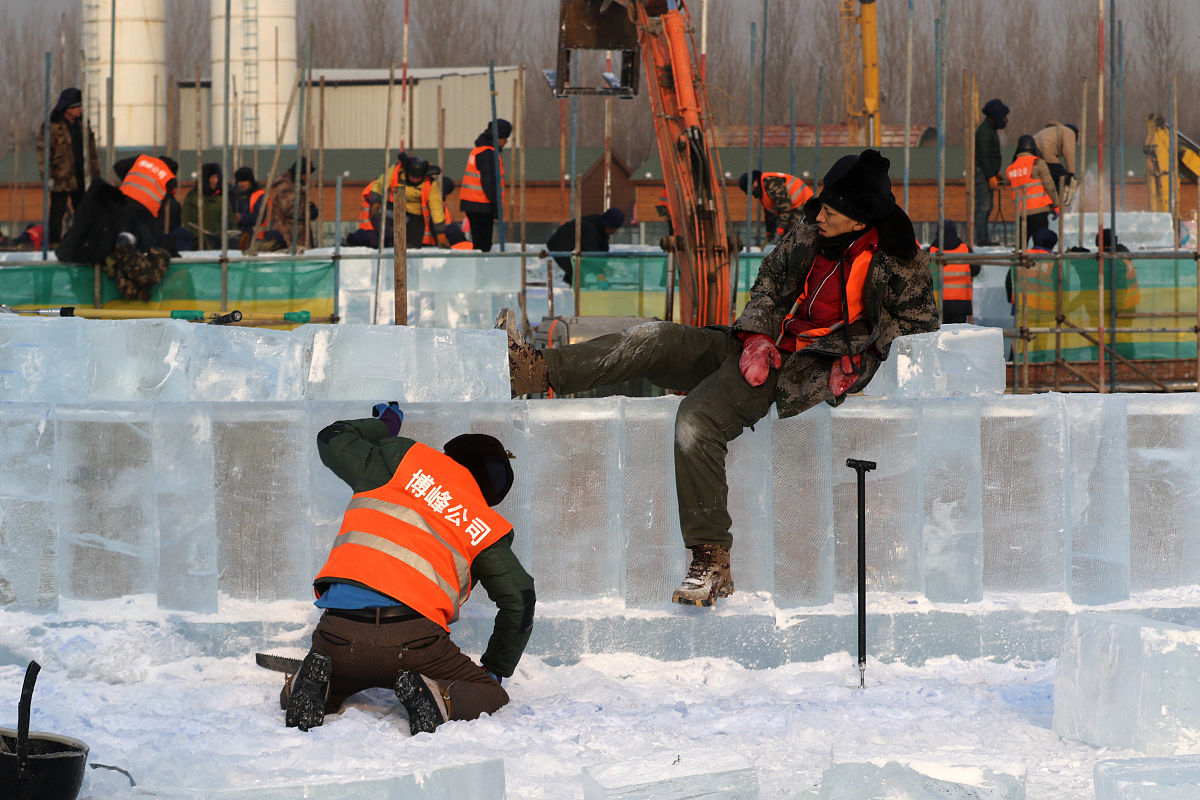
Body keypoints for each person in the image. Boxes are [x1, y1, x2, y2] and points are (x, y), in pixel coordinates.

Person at [503, 149, 938, 606]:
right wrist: (755, 335)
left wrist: (856, 360)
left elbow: (918, 327)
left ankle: (710, 561)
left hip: (796, 369)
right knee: (655, 338)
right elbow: (771, 280)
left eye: (833, 208)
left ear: (859, 218)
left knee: (696, 422)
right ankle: (534, 371)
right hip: (761, 347)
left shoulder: (898, 261)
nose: (819, 212)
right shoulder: (810, 231)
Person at [282, 405, 535, 736]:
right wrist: (494, 670)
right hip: (415, 643)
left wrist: (385, 425)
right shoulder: (480, 521)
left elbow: (331, 437)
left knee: (331, 677)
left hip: (339, 633)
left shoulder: (393, 465)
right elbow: (520, 599)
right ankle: (441, 698)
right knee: (490, 696)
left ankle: (309, 687)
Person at [56, 153, 179, 300]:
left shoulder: (143, 160)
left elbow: (118, 166)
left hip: (122, 202)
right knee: (141, 247)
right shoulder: (169, 177)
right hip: (144, 212)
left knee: (118, 240)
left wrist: (130, 181)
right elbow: (164, 203)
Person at [36, 87, 100, 247]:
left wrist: (95, 174)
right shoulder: (53, 126)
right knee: (57, 211)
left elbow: (92, 152)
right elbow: (43, 153)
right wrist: (48, 176)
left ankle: (82, 241)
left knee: (83, 210)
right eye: (77, 106)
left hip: (81, 175)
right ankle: (54, 242)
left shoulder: (83, 125)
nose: (80, 110)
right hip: (61, 176)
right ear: (67, 109)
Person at [460, 119, 511, 252]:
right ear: (499, 137)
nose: (506, 141)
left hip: (473, 203)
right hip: (481, 204)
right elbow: (489, 183)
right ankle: (482, 270)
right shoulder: (488, 153)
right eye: (505, 138)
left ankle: (480, 267)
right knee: (483, 245)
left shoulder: (479, 150)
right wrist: (496, 207)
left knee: (479, 242)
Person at [543, 207, 625, 286]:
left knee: (583, 266)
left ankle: (575, 284)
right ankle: (575, 288)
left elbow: (602, 250)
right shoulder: (590, 229)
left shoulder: (601, 228)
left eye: (616, 228)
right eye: (612, 228)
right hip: (560, 244)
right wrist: (600, 275)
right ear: (607, 224)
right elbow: (591, 254)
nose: (614, 231)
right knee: (580, 267)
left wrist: (603, 266)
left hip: (574, 241)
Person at [1006, 135, 1059, 246]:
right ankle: (1040, 264)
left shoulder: (1011, 168)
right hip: (1038, 211)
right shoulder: (1037, 163)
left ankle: (1019, 263)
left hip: (1021, 213)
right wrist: (1056, 204)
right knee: (1040, 246)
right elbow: (1049, 185)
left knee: (1020, 248)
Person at [346, 154, 408, 249]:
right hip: (370, 232)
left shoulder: (385, 190)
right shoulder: (375, 191)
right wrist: (390, 238)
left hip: (373, 233)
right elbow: (378, 217)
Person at [738, 170, 814, 243]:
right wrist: (770, 230)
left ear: (755, 181)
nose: (751, 193)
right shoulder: (763, 191)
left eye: (751, 189)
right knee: (788, 237)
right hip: (793, 207)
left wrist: (781, 227)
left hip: (804, 203)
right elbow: (769, 212)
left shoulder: (770, 183)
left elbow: (784, 205)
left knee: (792, 236)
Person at [974, 98, 1009, 246]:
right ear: (996, 116)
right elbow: (984, 156)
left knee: (988, 206)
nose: (1005, 120)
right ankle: (982, 238)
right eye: (1003, 116)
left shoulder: (990, 131)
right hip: (983, 174)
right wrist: (990, 176)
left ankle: (984, 237)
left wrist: (996, 173)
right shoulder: (985, 132)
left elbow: (991, 155)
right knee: (983, 205)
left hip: (987, 173)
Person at [928, 220, 978, 324]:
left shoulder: (930, 252)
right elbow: (976, 270)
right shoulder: (965, 250)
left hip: (936, 303)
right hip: (960, 304)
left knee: (937, 337)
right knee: (957, 337)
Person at [264, 159, 318, 251]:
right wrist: (308, 211)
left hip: (294, 237)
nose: (306, 177)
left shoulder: (294, 186)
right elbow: (290, 209)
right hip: (287, 238)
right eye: (305, 174)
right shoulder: (285, 186)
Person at [177, 162, 233, 251]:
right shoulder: (192, 197)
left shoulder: (222, 198)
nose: (215, 180)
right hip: (199, 245)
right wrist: (202, 238)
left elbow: (230, 219)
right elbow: (189, 222)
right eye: (212, 177)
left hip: (220, 244)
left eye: (217, 177)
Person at [400, 156, 450, 249]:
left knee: (413, 248)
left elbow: (436, 207)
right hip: (396, 212)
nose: (415, 180)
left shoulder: (430, 184)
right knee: (399, 248)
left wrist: (440, 232)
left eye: (418, 178)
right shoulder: (397, 175)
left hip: (416, 218)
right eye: (413, 177)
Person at [1033, 121, 1078, 202]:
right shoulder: (1069, 132)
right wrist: (1071, 173)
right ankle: (1058, 202)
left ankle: (1048, 200)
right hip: (1045, 153)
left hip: (1032, 155)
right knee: (1062, 177)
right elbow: (1069, 152)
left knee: (1047, 177)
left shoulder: (1053, 131)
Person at [231, 166, 262, 246]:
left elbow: (259, 216)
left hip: (258, 239)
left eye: (244, 180)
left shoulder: (259, 196)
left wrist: (241, 218)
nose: (241, 184)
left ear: (250, 181)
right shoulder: (238, 197)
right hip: (242, 238)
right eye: (239, 181)